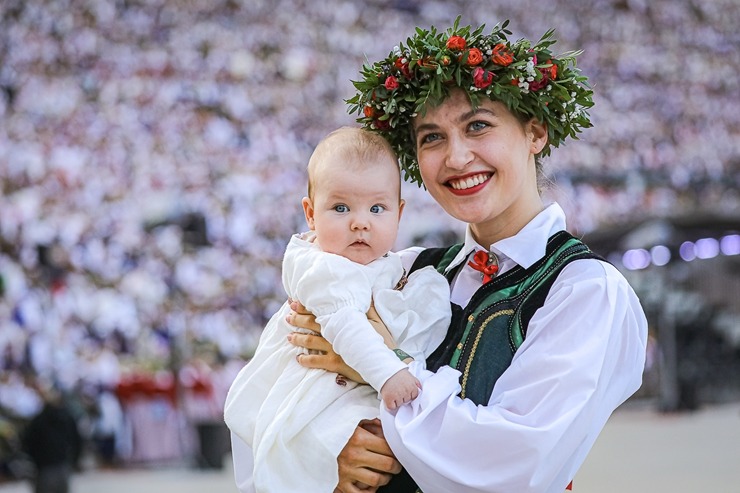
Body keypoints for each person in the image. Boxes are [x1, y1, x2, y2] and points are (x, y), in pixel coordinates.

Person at [233, 17, 649, 493]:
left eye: (478, 125)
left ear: (536, 132)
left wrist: (381, 364)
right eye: (431, 137)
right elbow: (270, 388)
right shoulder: (404, 268)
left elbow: (520, 464)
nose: (455, 158)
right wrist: (329, 448)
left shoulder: (587, 291)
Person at [224, 127, 451, 492]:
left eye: (377, 208)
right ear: (311, 214)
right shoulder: (324, 268)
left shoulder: (387, 264)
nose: (360, 222)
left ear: (399, 213)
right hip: (314, 385)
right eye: (341, 208)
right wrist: (390, 372)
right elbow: (348, 327)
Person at [22, 385, 82, 493]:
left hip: (44, 469)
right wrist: (74, 461)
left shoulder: (38, 420)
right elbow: (77, 442)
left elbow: (27, 444)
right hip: (61, 468)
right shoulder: (68, 418)